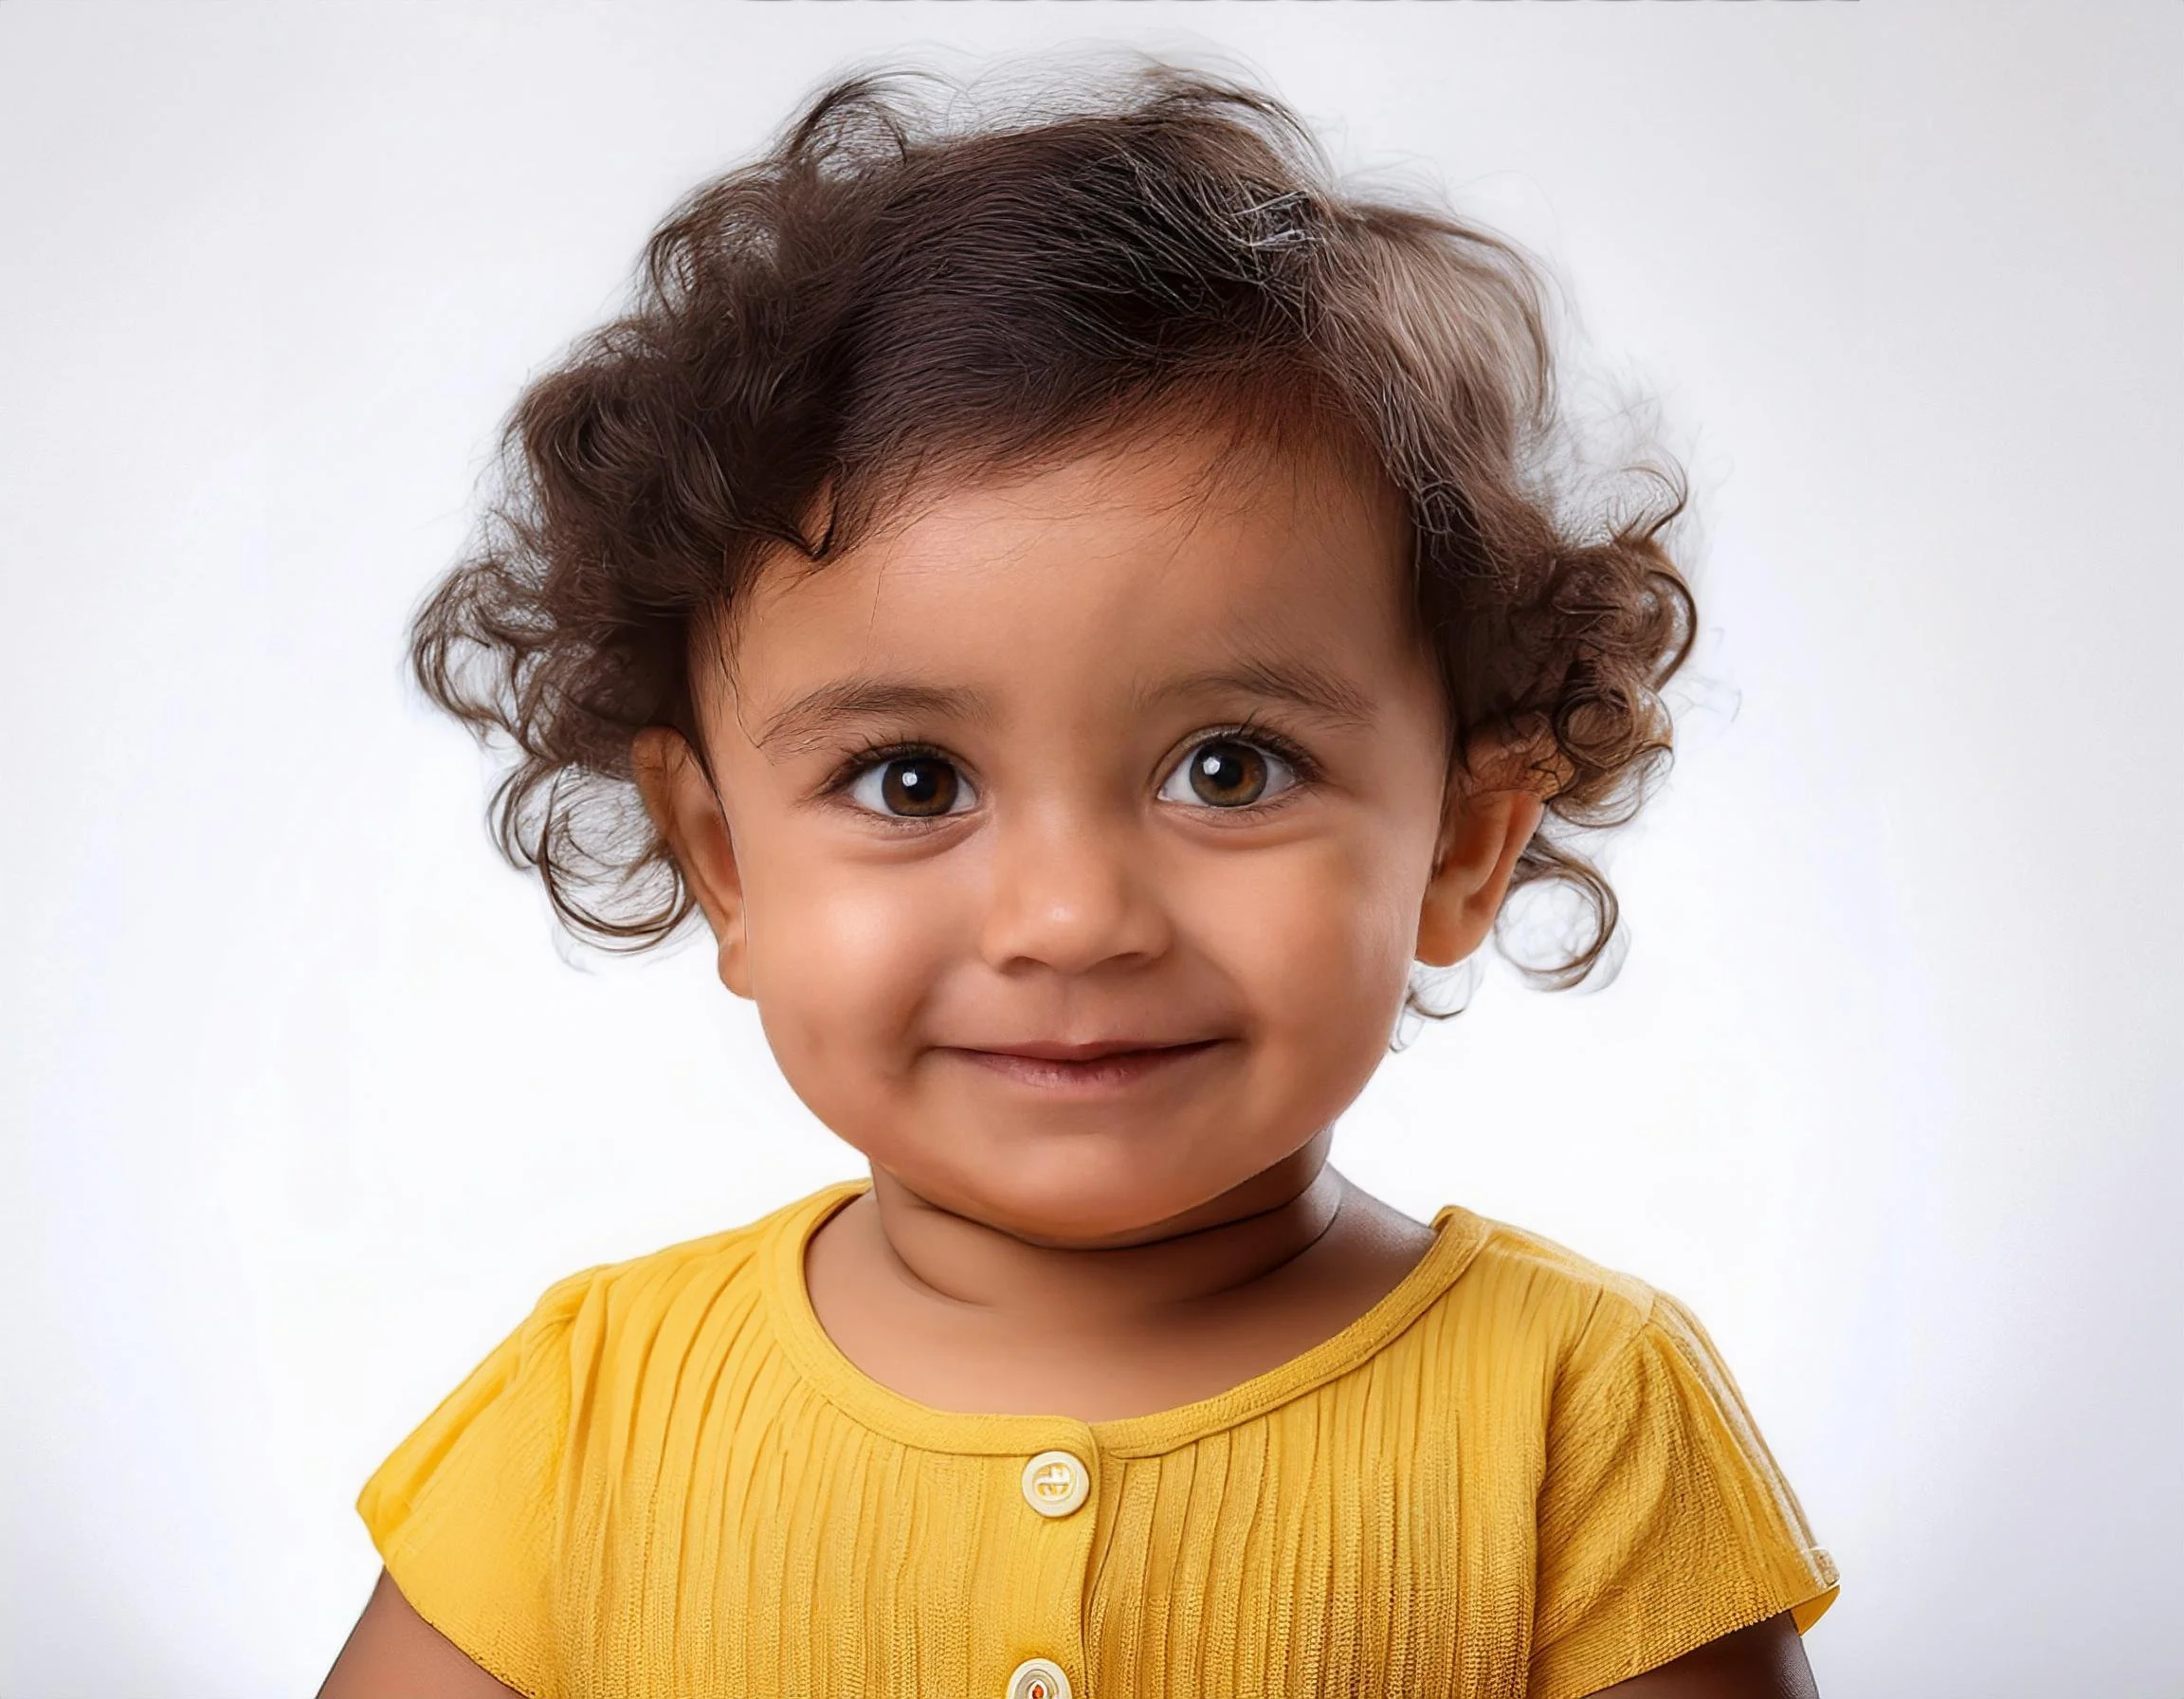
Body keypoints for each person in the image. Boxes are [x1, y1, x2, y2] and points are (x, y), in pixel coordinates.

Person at [319, 50, 1838, 1699]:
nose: (1070, 920)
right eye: (912, 782)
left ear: (1463, 846)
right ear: (721, 860)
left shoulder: (1584, 1422)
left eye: (1230, 769)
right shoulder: (587, 1415)